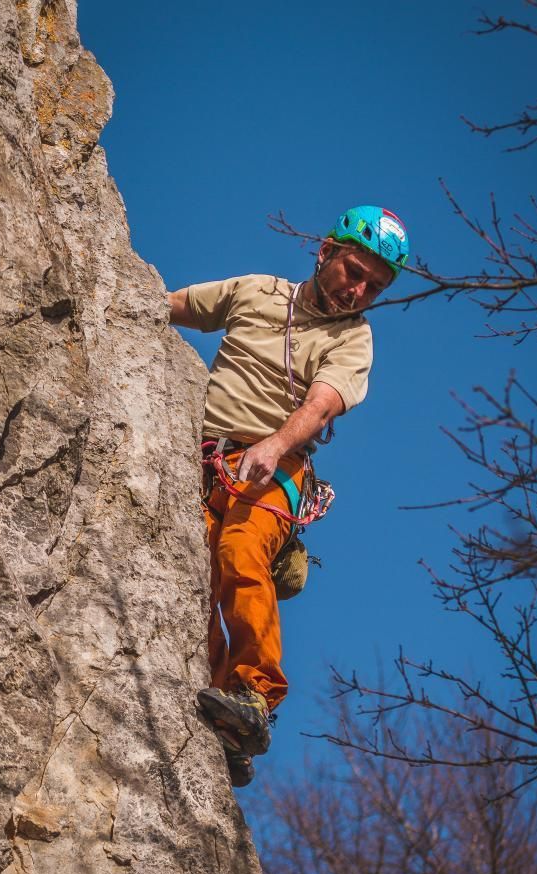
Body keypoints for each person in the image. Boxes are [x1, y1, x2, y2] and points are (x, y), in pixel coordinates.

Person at [168, 205, 410, 786]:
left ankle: (254, 694)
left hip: (277, 469)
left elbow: (322, 402)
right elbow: (166, 305)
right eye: (354, 271)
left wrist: (275, 446)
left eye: (374, 286)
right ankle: (224, 724)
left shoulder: (354, 340)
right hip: (207, 459)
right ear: (325, 251)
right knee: (190, 577)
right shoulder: (255, 293)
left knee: (239, 554)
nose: (359, 290)